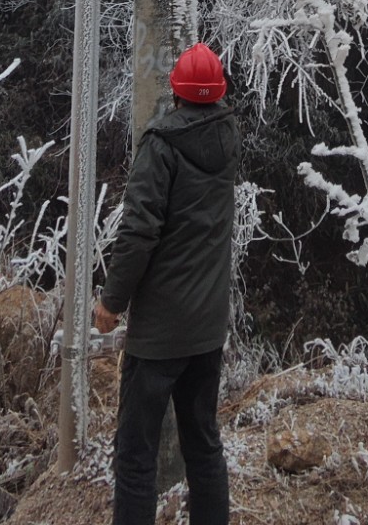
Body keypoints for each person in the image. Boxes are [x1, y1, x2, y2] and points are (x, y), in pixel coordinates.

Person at [94, 42, 240, 525]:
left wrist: (112, 302)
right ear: (218, 92)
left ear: (175, 91)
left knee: (136, 456)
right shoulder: (227, 136)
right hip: (207, 330)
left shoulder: (161, 145)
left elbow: (139, 231)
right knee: (204, 446)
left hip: (159, 335)